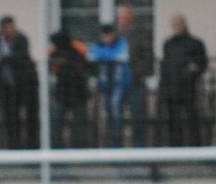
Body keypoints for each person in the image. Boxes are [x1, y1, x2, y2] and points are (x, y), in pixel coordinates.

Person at [0, 16, 39, 149]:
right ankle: (13, 146)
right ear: (3, 29)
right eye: (9, 27)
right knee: (10, 118)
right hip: (5, 86)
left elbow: (21, 56)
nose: (12, 30)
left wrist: (1, 57)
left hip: (24, 85)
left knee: (30, 117)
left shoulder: (21, 39)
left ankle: (32, 146)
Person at [160, 14, 208, 146]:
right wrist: (164, 86)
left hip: (189, 88)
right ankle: (175, 148)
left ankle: (195, 148)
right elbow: (165, 65)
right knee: (173, 121)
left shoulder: (195, 43)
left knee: (192, 120)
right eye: (174, 24)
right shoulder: (168, 44)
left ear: (185, 24)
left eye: (179, 24)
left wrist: (191, 73)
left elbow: (202, 63)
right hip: (172, 89)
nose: (177, 26)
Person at [87, 24, 130, 147]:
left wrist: (104, 56)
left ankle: (117, 143)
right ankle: (106, 144)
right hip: (104, 86)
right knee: (104, 115)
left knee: (116, 113)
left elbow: (122, 56)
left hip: (119, 85)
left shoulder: (121, 42)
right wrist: (108, 56)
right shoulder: (97, 44)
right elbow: (90, 56)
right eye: (104, 35)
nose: (106, 37)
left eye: (109, 34)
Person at [116, 5, 154, 147]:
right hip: (117, 84)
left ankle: (139, 150)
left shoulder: (141, 34)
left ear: (131, 18)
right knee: (116, 119)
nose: (123, 20)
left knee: (138, 117)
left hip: (135, 82)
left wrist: (134, 73)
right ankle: (116, 151)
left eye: (125, 17)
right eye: (120, 17)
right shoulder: (113, 36)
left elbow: (147, 58)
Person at [49, 30, 90, 148]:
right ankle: (57, 149)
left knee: (79, 124)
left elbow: (86, 67)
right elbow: (52, 68)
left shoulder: (78, 50)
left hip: (78, 91)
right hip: (61, 92)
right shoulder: (54, 52)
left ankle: (80, 148)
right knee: (56, 122)